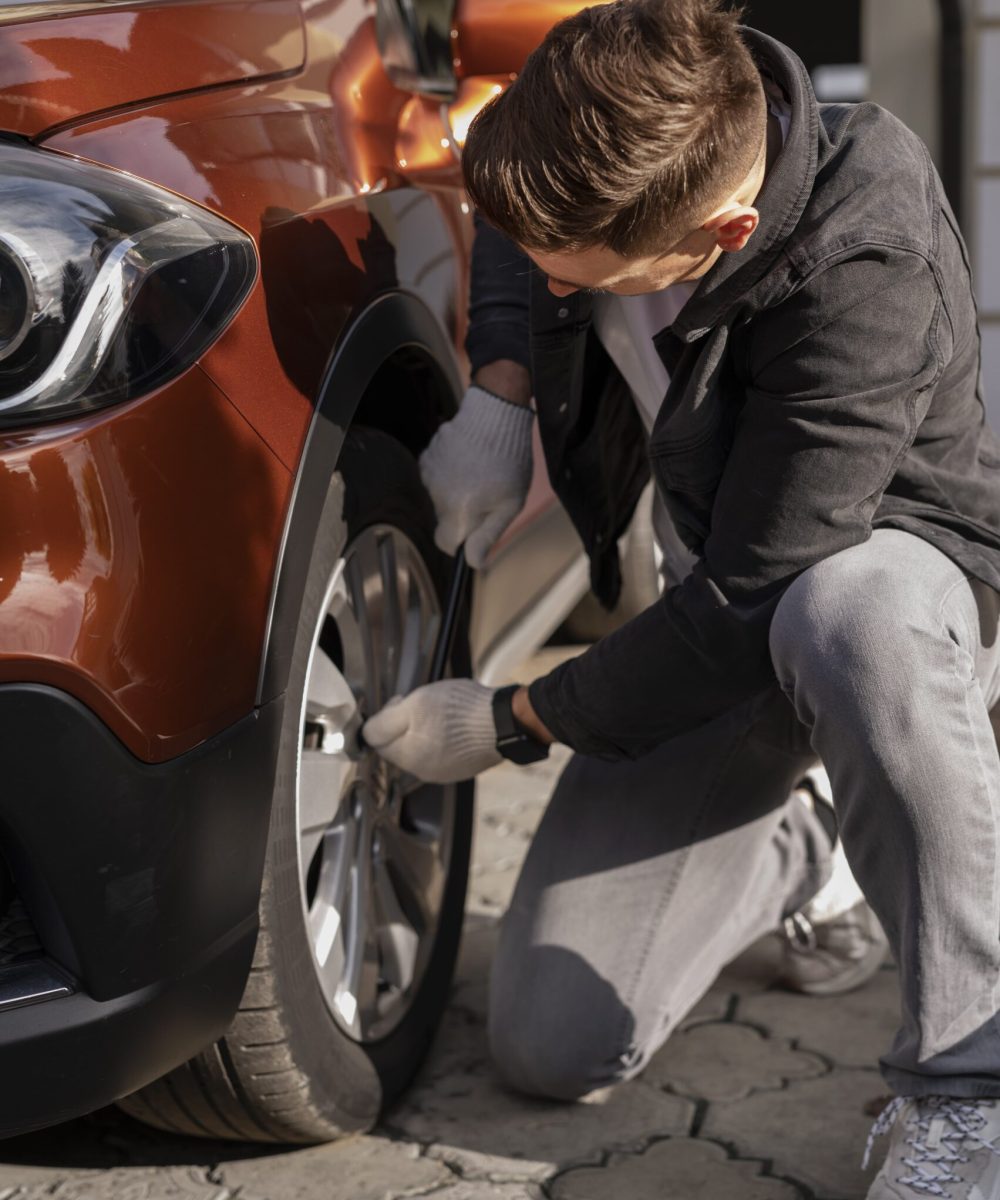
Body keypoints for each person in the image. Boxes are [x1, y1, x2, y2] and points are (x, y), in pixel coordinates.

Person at [362, 1, 1000, 1194]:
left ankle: (970, 1092)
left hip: (873, 603)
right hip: (707, 608)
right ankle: (815, 854)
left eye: (576, 274)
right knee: (552, 1047)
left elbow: (759, 592)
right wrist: (501, 382)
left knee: (842, 612)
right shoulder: (620, 115)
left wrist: (510, 721)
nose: (551, 280)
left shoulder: (864, 254)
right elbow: (515, 191)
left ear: (724, 232)